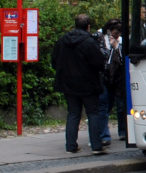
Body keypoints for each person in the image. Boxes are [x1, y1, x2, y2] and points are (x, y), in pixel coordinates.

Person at [52, 14, 109, 155]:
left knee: (73, 113)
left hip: (68, 83)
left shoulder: (62, 40)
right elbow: (99, 62)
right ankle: (96, 146)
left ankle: (71, 145)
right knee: (93, 113)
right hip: (88, 83)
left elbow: (54, 60)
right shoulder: (89, 42)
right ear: (88, 26)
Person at [97, 18, 127, 145]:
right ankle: (104, 135)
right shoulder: (99, 38)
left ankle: (123, 132)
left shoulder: (120, 41)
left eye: (120, 33)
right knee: (104, 106)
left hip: (116, 78)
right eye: (116, 33)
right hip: (103, 78)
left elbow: (124, 59)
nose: (118, 35)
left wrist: (117, 47)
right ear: (109, 31)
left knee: (120, 105)